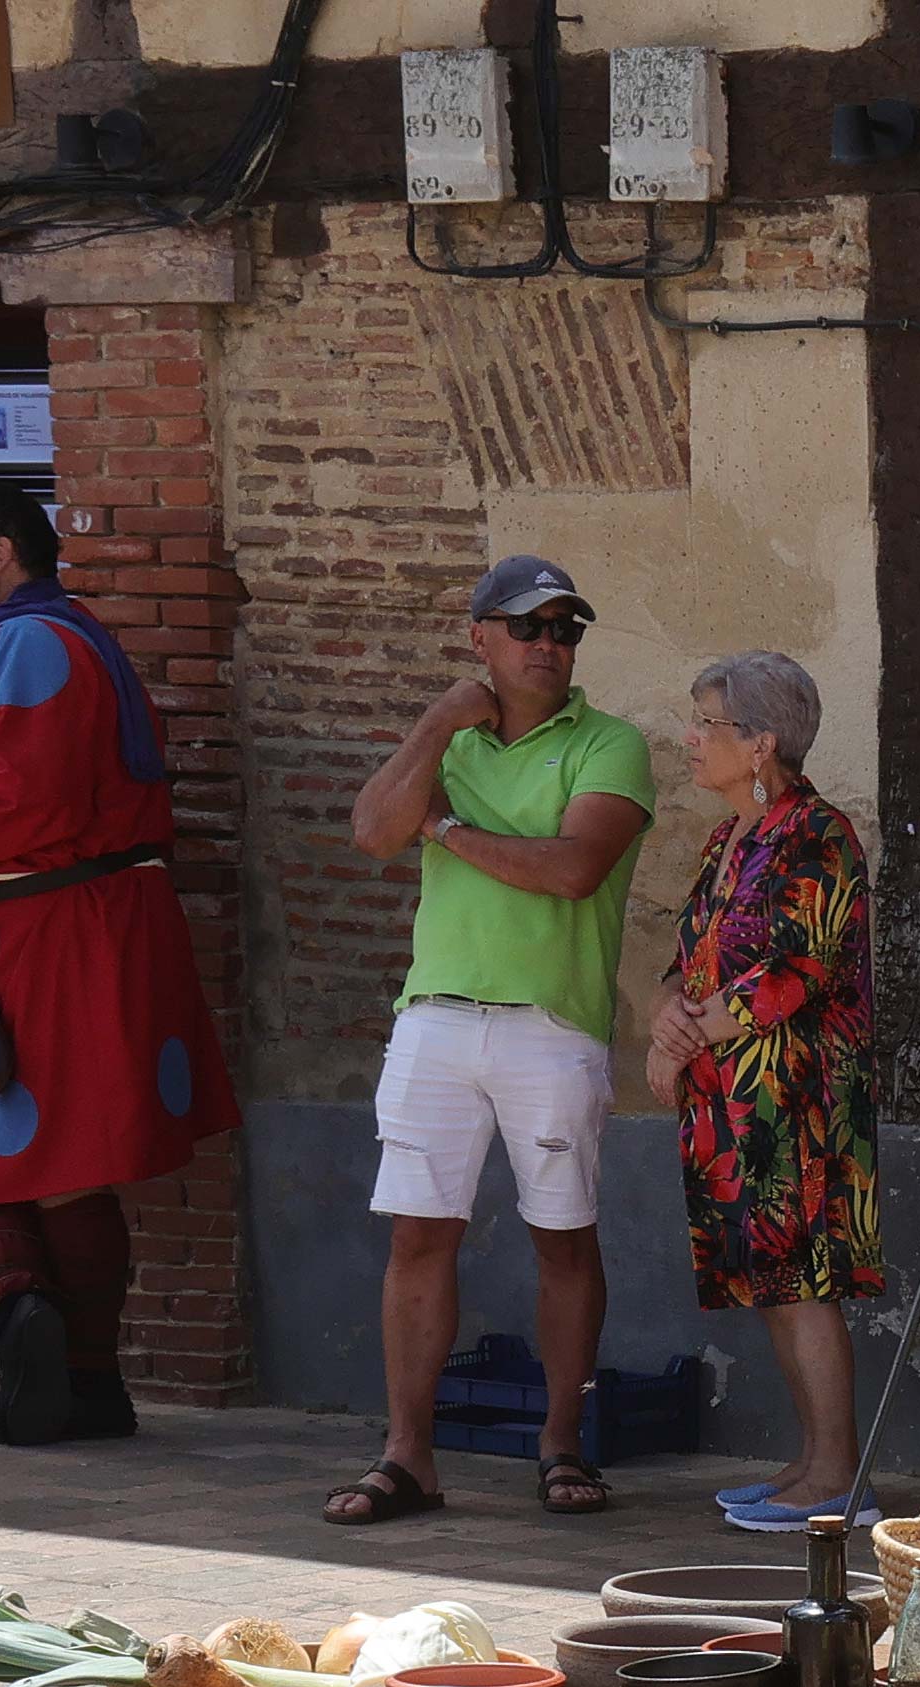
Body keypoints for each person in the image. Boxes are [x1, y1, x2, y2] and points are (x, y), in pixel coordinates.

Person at [0, 481, 235, 1446]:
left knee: (26, 1148)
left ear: (0, 553)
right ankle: (74, 1373)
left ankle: (48, 1347)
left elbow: (12, 808)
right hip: (37, 928)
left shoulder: (34, 643)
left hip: (38, 934)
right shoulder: (29, 640)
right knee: (36, 1151)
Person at [332, 554, 654, 1525]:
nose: (550, 644)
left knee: (564, 1239)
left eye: (567, 628)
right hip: (434, 1016)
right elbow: (372, 833)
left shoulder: (610, 743)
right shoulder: (452, 745)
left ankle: (563, 1445)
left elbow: (571, 869)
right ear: (481, 639)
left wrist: (450, 832)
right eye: (528, 626)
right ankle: (408, 1457)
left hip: (551, 1025)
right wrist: (436, 727)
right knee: (419, 1237)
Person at [644, 652, 884, 1532]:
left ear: (759, 742)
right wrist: (670, 1018)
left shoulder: (819, 835)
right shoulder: (727, 839)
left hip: (798, 1100)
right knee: (774, 1282)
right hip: (734, 1103)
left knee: (803, 1279)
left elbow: (796, 971)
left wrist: (688, 1039)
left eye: (706, 721)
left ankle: (839, 1477)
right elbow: (692, 962)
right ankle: (814, 1460)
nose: (690, 738)